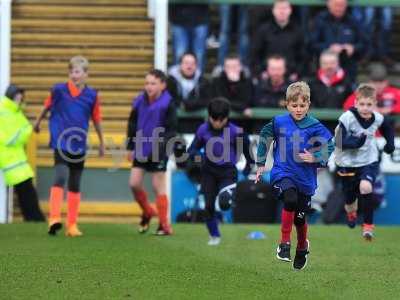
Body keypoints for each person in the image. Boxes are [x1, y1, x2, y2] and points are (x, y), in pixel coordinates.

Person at [255, 81, 334, 270]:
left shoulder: (315, 125)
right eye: (294, 105)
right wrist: (260, 163)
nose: (298, 110)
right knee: (289, 198)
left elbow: (330, 144)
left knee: (300, 218)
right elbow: (265, 136)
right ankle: (284, 244)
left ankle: (301, 246)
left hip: (305, 179)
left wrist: (315, 157)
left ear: (308, 105)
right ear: (287, 104)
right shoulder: (279, 121)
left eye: (302, 106)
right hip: (283, 172)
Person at [34, 55, 105, 237]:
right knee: (60, 176)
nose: (74, 75)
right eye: (72, 71)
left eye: (78, 72)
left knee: (75, 182)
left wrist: (102, 142)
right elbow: (46, 107)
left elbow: (96, 120)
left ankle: (72, 225)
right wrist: (37, 123)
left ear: (86, 74)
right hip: (60, 140)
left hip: (79, 143)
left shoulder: (92, 95)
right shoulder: (58, 90)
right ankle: (54, 218)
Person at [188, 97, 254, 246]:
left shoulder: (236, 132)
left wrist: (249, 166)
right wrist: (199, 158)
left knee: (224, 203)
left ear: (227, 117)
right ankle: (214, 235)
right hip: (208, 171)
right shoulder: (202, 129)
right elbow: (192, 150)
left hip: (228, 172)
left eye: (221, 119)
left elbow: (248, 151)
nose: (217, 122)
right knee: (208, 206)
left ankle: (229, 196)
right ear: (209, 115)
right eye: (214, 118)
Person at [334, 83, 395, 241]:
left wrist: (390, 144)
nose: (366, 108)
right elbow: (339, 141)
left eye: (369, 104)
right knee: (349, 198)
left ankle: (368, 226)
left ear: (375, 104)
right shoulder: (347, 118)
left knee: (366, 187)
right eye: (362, 104)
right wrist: (355, 143)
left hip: (369, 160)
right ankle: (351, 212)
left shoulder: (378, 118)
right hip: (347, 162)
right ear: (356, 103)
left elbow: (387, 128)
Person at [126, 69, 177, 236]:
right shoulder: (139, 101)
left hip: (159, 149)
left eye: (153, 83)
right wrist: (130, 146)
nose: (149, 86)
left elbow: (171, 130)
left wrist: (162, 148)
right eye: (147, 83)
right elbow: (132, 124)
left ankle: (164, 225)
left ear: (163, 85)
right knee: (134, 183)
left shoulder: (168, 103)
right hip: (141, 146)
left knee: (158, 186)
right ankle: (147, 211)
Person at [0, 84, 45, 222]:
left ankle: (33, 219)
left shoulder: (14, 111)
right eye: (19, 96)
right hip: (11, 160)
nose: (21, 98)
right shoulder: (5, 112)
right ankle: (36, 219)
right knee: (27, 192)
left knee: (25, 192)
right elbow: (10, 138)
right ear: (12, 96)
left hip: (16, 159)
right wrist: (27, 131)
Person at [310, 0, 366, 83]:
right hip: (324, 72)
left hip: (348, 70)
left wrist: (353, 48)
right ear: (329, 4)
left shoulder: (353, 21)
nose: (339, 8)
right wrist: (329, 48)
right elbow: (311, 44)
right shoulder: (320, 20)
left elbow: (364, 44)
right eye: (336, 5)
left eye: (341, 5)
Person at [251, 0, 306, 79]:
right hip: (267, 78)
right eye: (279, 8)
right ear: (273, 11)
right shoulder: (263, 30)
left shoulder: (298, 31)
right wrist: (260, 73)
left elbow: (303, 56)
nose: (282, 11)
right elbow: (254, 55)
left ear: (290, 10)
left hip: (290, 78)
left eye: (284, 8)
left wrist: (297, 73)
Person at [169, 3, 209, 73]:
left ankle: (198, 82)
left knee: (199, 56)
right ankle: (177, 82)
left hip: (200, 18)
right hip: (179, 19)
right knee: (179, 54)